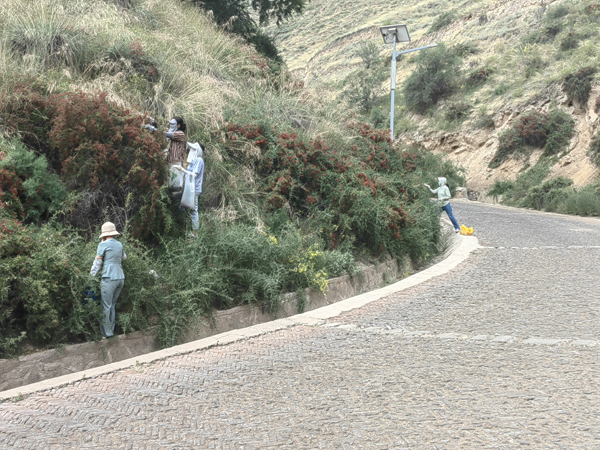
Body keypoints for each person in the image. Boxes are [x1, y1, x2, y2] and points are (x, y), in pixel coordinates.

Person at [90, 222, 127, 338]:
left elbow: (97, 263)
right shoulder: (119, 244)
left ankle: (106, 333)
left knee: (105, 306)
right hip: (120, 277)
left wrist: (90, 277)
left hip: (109, 278)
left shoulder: (102, 245)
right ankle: (111, 329)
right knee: (112, 305)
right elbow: (124, 257)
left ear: (104, 234)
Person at [175, 142, 205, 237]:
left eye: (193, 149)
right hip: (188, 187)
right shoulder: (193, 161)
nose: (191, 151)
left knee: (193, 210)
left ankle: (195, 233)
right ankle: (187, 221)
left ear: (198, 151)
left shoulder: (199, 160)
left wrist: (183, 170)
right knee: (179, 203)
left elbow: (194, 175)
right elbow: (188, 173)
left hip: (194, 189)